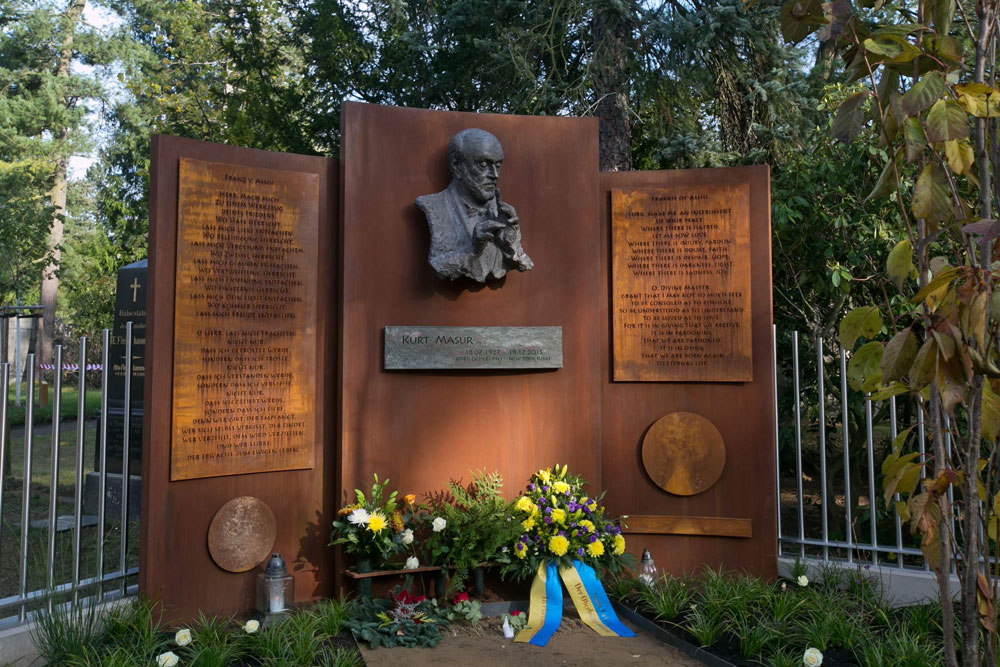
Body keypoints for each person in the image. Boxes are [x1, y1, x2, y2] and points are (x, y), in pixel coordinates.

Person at [416, 128, 533, 282]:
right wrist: (473, 251)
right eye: (483, 165)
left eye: (497, 166)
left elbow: (525, 264)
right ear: (457, 166)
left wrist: (509, 244)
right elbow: (440, 265)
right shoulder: (434, 207)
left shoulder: (504, 212)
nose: (495, 175)